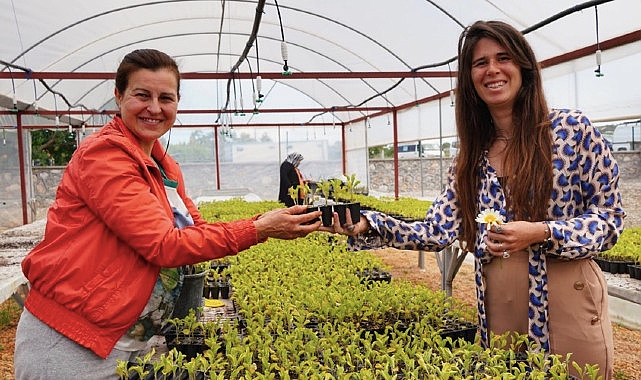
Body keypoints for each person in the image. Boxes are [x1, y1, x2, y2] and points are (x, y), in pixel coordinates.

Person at [322, 21, 625, 379]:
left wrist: (543, 231)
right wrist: (369, 223)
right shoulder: (471, 156)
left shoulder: (573, 132)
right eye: (480, 63)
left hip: (566, 297)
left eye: (503, 58)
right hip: (501, 304)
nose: (492, 70)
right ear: (469, 78)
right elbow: (436, 229)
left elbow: (610, 220)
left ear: (524, 68)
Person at [14, 49, 321, 379]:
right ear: (118, 96)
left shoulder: (163, 165)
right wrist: (260, 229)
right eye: (142, 95)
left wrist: (277, 221)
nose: (155, 108)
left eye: (166, 98)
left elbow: (197, 230)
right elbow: (164, 244)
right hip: (71, 340)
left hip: (124, 338)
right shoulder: (104, 156)